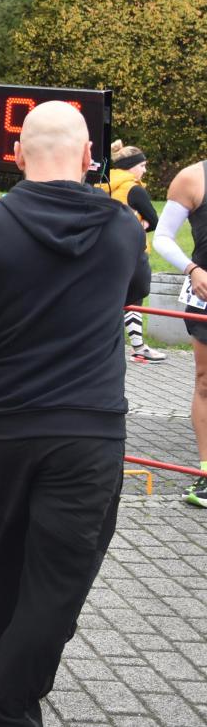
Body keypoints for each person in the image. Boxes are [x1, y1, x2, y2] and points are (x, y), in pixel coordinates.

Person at [0, 101, 150, 727]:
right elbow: (137, 289)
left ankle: (6, 644)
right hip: (89, 428)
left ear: (16, 157)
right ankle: (7, 702)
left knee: (10, 546)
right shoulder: (123, 226)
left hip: (6, 424)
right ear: (90, 158)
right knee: (59, 575)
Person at [150, 159, 207, 506]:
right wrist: (192, 269)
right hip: (205, 299)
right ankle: (206, 473)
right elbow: (162, 237)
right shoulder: (193, 178)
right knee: (205, 382)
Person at [98, 140, 165, 361]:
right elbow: (155, 221)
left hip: (103, 251)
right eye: (142, 166)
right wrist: (141, 225)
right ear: (131, 166)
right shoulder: (133, 189)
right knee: (134, 297)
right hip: (133, 251)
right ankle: (138, 347)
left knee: (108, 299)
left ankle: (104, 347)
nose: (144, 171)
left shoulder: (101, 183)